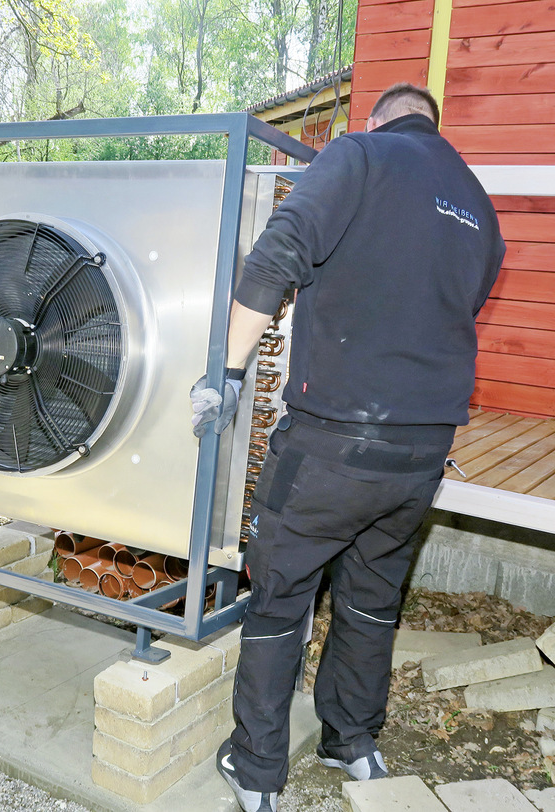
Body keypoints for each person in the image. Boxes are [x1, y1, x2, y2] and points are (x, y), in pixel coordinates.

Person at [190, 83, 505, 812]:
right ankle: (352, 742)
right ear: (430, 125)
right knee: (370, 601)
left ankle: (257, 770)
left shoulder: (357, 157)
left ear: (378, 120)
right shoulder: (477, 204)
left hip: (333, 445)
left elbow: (276, 257)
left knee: (279, 600)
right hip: (422, 453)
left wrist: (228, 377)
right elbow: (458, 304)